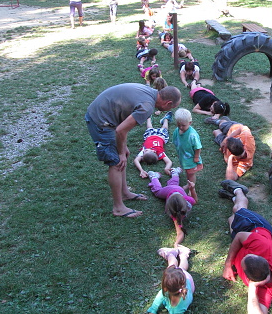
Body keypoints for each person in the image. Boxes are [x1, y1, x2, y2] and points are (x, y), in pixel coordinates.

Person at [85, 84, 181, 218]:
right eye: (171, 107)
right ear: (168, 103)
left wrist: (123, 148)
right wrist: (120, 152)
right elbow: (120, 130)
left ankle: (125, 193)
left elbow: (122, 128)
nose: (169, 110)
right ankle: (118, 208)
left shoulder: (151, 93)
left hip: (107, 117)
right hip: (100, 120)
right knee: (116, 162)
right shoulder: (147, 106)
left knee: (123, 155)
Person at [221, 181, 272, 314]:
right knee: (238, 210)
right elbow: (240, 236)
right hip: (256, 227)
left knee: (231, 220)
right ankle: (239, 191)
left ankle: (234, 199)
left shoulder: (268, 287)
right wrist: (228, 265)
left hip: (249, 238)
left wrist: (253, 288)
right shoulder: (263, 246)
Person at [147, 245, 194, 314]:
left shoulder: (179, 307)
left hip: (187, 279)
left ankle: (175, 254)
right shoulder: (175, 287)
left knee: (177, 267)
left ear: (165, 288)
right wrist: (153, 310)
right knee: (178, 267)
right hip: (183, 278)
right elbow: (160, 296)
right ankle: (179, 254)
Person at [147, 169, 197, 246]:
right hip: (172, 189)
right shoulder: (186, 202)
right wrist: (192, 189)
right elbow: (195, 200)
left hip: (175, 189)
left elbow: (180, 232)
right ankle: (172, 174)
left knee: (158, 191)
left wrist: (192, 189)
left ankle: (155, 177)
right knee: (170, 186)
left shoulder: (184, 204)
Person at [133, 114, 173, 178]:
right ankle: (166, 119)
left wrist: (141, 170)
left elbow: (136, 160)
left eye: (144, 152)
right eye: (146, 151)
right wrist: (167, 168)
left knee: (149, 128)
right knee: (164, 128)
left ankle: (148, 117)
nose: (144, 151)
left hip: (150, 135)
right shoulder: (160, 152)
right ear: (154, 151)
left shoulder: (144, 150)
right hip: (161, 136)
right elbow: (169, 161)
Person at [172, 108, 203, 186]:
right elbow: (176, 141)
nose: (180, 127)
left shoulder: (192, 135)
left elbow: (198, 147)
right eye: (178, 125)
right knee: (187, 171)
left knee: (191, 173)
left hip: (191, 158)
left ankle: (191, 186)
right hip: (184, 156)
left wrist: (196, 157)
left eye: (183, 125)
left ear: (190, 123)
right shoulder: (177, 131)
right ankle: (189, 183)